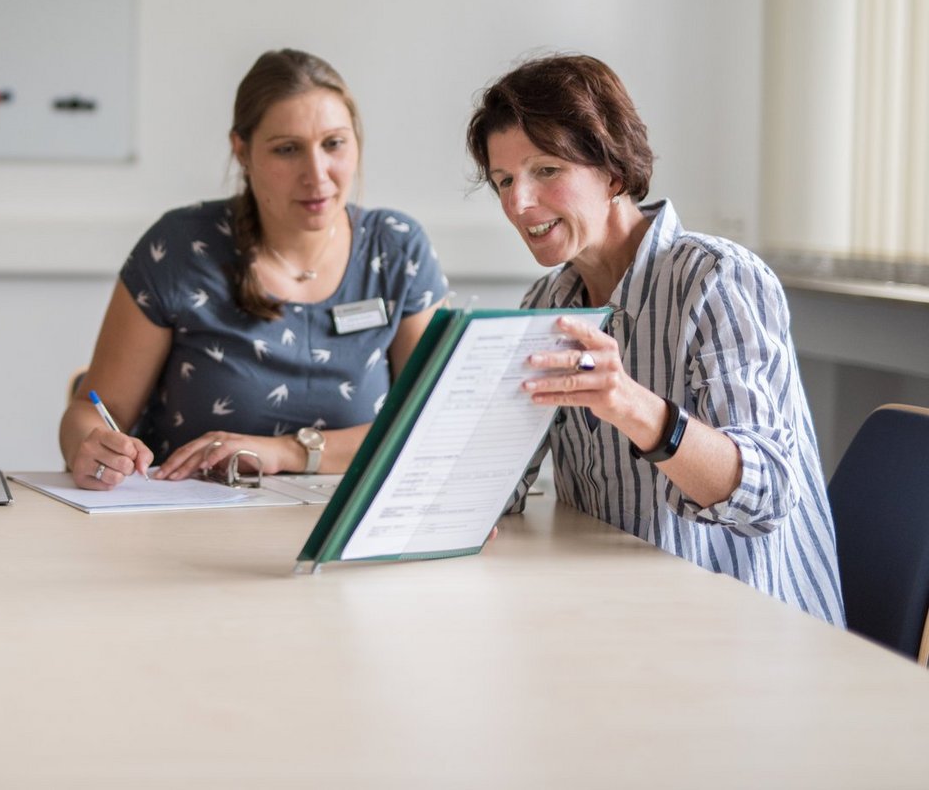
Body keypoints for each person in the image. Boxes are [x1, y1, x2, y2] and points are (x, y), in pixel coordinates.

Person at [465, 53, 843, 623]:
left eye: (545, 170)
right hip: (617, 614)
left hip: (746, 632)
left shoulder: (718, 280)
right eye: (504, 181)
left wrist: (632, 406)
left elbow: (765, 497)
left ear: (613, 171)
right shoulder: (545, 305)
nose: (519, 204)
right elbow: (499, 485)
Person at [60, 48, 447, 488]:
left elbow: (434, 420)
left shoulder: (396, 249)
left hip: (345, 527)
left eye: (334, 143)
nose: (317, 174)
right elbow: (92, 409)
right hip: (185, 527)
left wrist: (287, 452)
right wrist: (89, 445)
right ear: (241, 151)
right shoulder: (180, 248)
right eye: (287, 150)